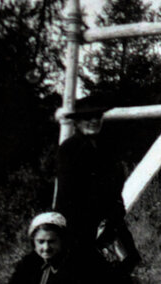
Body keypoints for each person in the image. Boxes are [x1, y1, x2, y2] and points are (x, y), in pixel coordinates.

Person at [54, 94, 139, 280]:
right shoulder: (70, 149)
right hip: (80, 225)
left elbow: (116, 183)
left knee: (129, 260)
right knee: (86, 271)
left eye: (97, 116)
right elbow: (69, 193)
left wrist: (117, 209)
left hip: (110, 220)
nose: (93, 121)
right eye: (87, 117)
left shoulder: (106, 147)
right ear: (76, 122)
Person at [8, 211, 99, 284]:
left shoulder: (79, 265)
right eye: (41, 242)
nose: (46, 247)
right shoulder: (29, 264)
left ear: (62, 241)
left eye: (51, 241)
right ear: (34, 242)